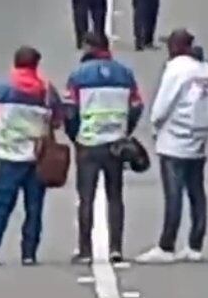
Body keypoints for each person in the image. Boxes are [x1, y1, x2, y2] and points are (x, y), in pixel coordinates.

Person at [0, 46, 61, 268]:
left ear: (16, 63)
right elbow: (58, 119)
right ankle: (29, 254)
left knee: (1, 207)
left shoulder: (2, 88)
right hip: (38, 156)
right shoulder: (47, 90)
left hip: (9, 155)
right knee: (34, 208)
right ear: (36, 65)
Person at [136, 29, 208, 265]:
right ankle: (195, 244)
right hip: (199, 135)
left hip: (175, 137)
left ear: (176, 46)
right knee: (197, 192)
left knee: (173, 193)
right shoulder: (205, 69)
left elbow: (163, 104)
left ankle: (167, 245)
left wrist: (154, 124)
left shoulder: (176, 69)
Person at [64, 32, 144, 265]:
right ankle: (116, 248)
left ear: (89, 47)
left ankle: (86, 250)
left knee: (86, 198)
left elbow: (69, 110)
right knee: (115, 196)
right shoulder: (124, 74)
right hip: (115, 143)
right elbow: (137, 106)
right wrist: (125, 131)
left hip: (88, 143)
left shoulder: (78, 76)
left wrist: (75, 136)